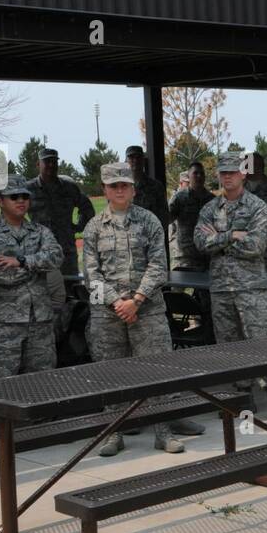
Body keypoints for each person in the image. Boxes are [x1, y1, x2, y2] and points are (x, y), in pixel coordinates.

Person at [83, 162, 187, 456]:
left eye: (124, 185)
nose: (119, 190)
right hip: (107, 314)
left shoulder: (149, 221)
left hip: (147, 309)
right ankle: (113, 434)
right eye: (113, 185)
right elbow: (91, 275)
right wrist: (118, 302)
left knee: (158, 371)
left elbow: (159, 265)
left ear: (132, 188)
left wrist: (137, 300)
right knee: (110, 373)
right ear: (104, 189)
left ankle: (162, 432)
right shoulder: (93, 227)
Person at [194, 152, 267, 425]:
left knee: (262, 345)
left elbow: (257, 246)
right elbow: (200, 243)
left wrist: (217, 240)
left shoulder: (257, 207)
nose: (227, 177)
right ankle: (243, 402)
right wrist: (233, 235)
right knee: (229, 348)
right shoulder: (210, 209)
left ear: (243, 174)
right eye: (223, 173)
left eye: (232, 172)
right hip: (222, 289)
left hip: (251, 288)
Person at [0, 176, 64, 378]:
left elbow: (56, 258)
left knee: (42, 385)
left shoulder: (40, 231)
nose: (20, 201)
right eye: (13, 196)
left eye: (25, 196)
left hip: (39, 323)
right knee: (2, 389)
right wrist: (37, 265)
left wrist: (22, 261)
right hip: (3, 326)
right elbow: (0, 274)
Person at [27, 148, 94, 277]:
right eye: (47, 161)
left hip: (66, 249)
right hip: (39, 250)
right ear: (38, 164)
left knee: (71, 286)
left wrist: (78, 226)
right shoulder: (28, 189)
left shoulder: (69, 187)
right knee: (41, 288)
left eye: (54, 161)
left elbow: (86, 207)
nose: (51, 165)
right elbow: (14, 212)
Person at [168, 161, 214, 272]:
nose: (199, 176)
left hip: (205, 257)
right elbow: (167, 219)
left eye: (202, 173)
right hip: (183, 257)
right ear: (189, 176)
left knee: (204, 289)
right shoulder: (180, 198)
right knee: (176, 289)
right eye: (195, 173)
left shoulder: (212, 200)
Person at [124, 144, 170, 252]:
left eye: (138, 157)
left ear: (143, 160)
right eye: (131, 157)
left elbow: (164, 218)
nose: (135, 160)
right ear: (125, 162)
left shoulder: (156, 187)